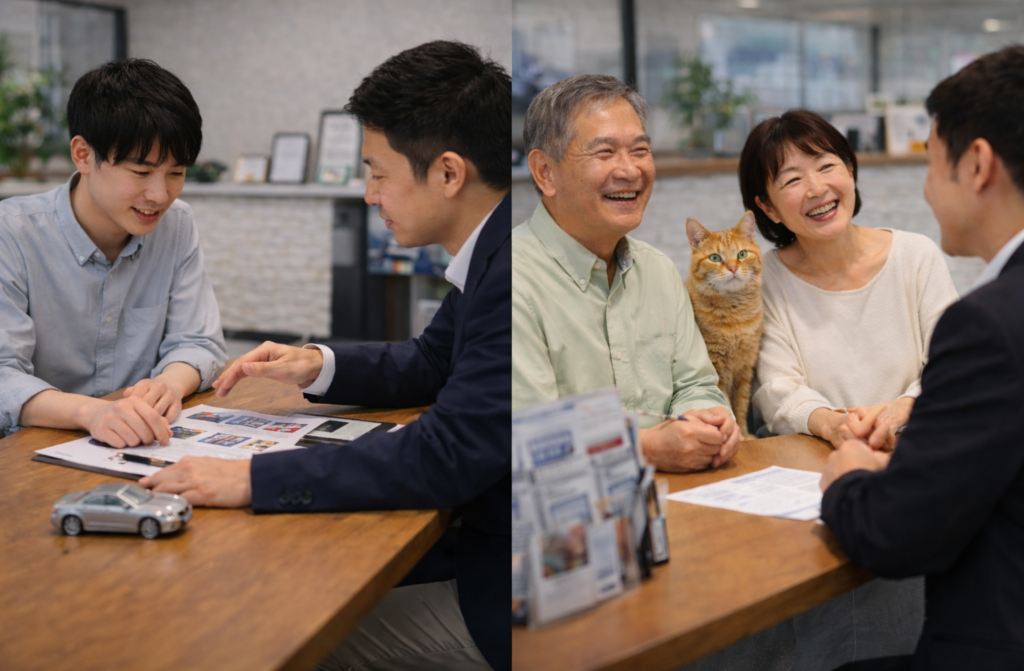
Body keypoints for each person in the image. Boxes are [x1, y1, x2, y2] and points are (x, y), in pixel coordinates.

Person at [140, 41, 510, 671]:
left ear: (449, 174)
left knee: (272, 633)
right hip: (486, 540)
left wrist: (251, 478)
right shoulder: (500, 249)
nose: (369, 195)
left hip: (506, 592)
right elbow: (431, 360)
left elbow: (445, 455)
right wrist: (319, 362)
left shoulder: (510, 273)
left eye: (378, 173)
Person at [819, 45, 1024, 671]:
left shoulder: (988, 324)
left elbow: (896, 536)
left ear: (979, 164)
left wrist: (848, 476)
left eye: (932, 164)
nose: (927, 189)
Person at [740, 109, 958, 670]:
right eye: (790, 180)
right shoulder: (768, 278)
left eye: (826, 164)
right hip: (818, 484)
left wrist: (902, 408)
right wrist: (835, 423)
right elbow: (777, 390)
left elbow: (951, 363)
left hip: (916, 472)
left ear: (851, 171)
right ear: (766, 207)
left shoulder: (915, 256)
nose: (816, 188)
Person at [514, 74, 740, 473]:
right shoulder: (509, 279)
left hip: (681, 498)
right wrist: (644, 447)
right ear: (545, 172)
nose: (630, 170)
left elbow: (695, 385)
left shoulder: (658, 270)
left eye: (640, 150)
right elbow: (523, 433)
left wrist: (710, 420)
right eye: (604, 153)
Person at [0, 59, 226, 445]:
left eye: (176, 173)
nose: (160, 196)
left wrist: (168, 385)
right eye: (141, 172)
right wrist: (92, 412)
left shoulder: (177, 224)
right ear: (83, 155)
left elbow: (198, 342)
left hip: (139, 440)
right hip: (30, 448)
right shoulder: (13, 234)